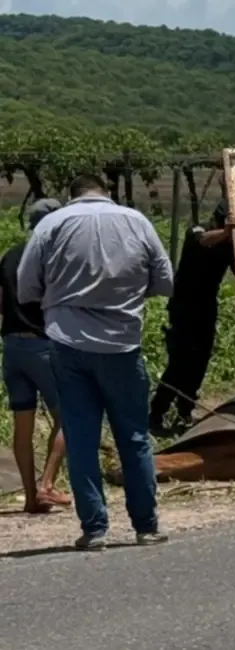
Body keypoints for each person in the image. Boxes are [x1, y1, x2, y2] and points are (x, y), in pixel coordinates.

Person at [17, 174, 174, 550]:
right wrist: (129, 295)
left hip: (68, 343)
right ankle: (146, 526)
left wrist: (60, 296)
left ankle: (95, 529)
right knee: (134, 437)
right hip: (122, 344)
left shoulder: (52, 224)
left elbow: (26, 286)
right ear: (107, 192)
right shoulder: (137, 222)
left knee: (81, 437)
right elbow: (165, 280)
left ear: (72, 196)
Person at [1, 198, 70, 513]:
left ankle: (30, 497)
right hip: (43, 346)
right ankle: (47, 485)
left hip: (12, 348)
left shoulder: (10, 255)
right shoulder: (53, 257)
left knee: (22, 424)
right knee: (69, 415)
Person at [148, 198, 235, 435]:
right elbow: (203, 240)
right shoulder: (198, 231)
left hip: (207, 306)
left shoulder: (230, 245)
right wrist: (227, 232)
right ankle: (157, 413)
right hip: (184, 306)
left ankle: (184, 411)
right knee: (180, 362)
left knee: (200, 361)